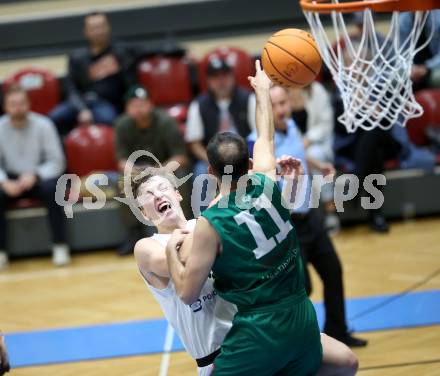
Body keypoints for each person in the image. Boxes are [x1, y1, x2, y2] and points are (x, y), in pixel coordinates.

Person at [166, 61, 323, 375]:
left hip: (261, 329)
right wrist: (263, 91)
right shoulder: (268, 181)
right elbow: (265, 136)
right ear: (249, 162)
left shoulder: (211, 223)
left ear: (210, 173)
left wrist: (171, 250)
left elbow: (186, 293)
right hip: (303, 317)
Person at [131, 167, 358, 376]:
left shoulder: (211, 223)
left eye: (162, 188)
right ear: (144, 213)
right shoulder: (147, 247)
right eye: (148, 195)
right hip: (217, 356)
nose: (158, 195)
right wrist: (225, 199)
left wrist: (283, 182)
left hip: (257, 331)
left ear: (178, 194)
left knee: (346, 361)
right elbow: (173, 261)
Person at [248, 85, 367, 348]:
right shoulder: (258, 143)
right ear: (265, 110)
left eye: (283, 103)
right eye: (275, 105)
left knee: (333, 272)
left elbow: (297, 154)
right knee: (304, 288)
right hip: (286, 228)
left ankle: (338, 331)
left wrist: (317, 165)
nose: (281, 110)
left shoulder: (291, 126)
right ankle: (301, 342)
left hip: (310, 217)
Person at [0, 85, 70, 270]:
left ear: (28, 104)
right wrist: (4, 181)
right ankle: (1, 252)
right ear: (5, 107)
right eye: (13, 104)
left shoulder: (44, 124)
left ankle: (59, 245)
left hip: (39, 176)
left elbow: (57, 161)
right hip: (11, 178)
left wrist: (36, 174)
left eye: (22, 103)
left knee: (53, 189)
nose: (18, 108)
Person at [114, 85, 188, 255]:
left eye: (142, 104)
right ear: (127, 108)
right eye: (134, 105)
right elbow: (121, 161)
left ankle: (183, 223)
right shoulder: (122, 125)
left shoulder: (166, 122)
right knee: (121, 182)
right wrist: (135, 173)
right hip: (137, 172)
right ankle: (133, 233)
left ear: (150, 104)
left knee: (182, 176)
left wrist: (159, 172)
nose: (139, 109)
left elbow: (180, 157)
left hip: (163, 168)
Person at [49, 11, 137, 136]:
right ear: (86, 32)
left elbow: (151, 52)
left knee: (109, 120)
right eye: (94, 28)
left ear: (108, 28)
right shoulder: (77, 57)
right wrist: (82, 110)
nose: (99, 31)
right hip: (81, 102)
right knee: (53, 119)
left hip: (107, 104)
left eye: (101, 26)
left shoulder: (122, 51)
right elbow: (70, 88)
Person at [185, 57, 256, 211]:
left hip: (243, 154)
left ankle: (254, 212)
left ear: (232, 77)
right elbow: (195, 143)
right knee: (200, 174)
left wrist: (244, 157)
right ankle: (203, 219)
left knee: (259, 168)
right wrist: (213, 161)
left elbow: (257, 133)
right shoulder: (199, 104)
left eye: (224, 76)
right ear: (209, 81)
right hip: (211, 158)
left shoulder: (247, 98)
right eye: (215, 77)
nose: (221, 81)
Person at [287, 82, 340, 233]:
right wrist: (297, 144)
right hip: (287, 144)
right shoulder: (276, 92)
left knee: (315, 155)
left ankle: (330, 212)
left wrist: (307, 140)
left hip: (317, 143)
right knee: (291, 158)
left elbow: (326, 125)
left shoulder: (318, 90)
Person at [400, 10, 440, 90]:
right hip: (412, 68)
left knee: (436, 78)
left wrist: (427, 67)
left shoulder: (437, 18)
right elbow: (400, 54)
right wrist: (410, 68)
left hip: (434, 66)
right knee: (390, 79)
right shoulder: (402, 20)